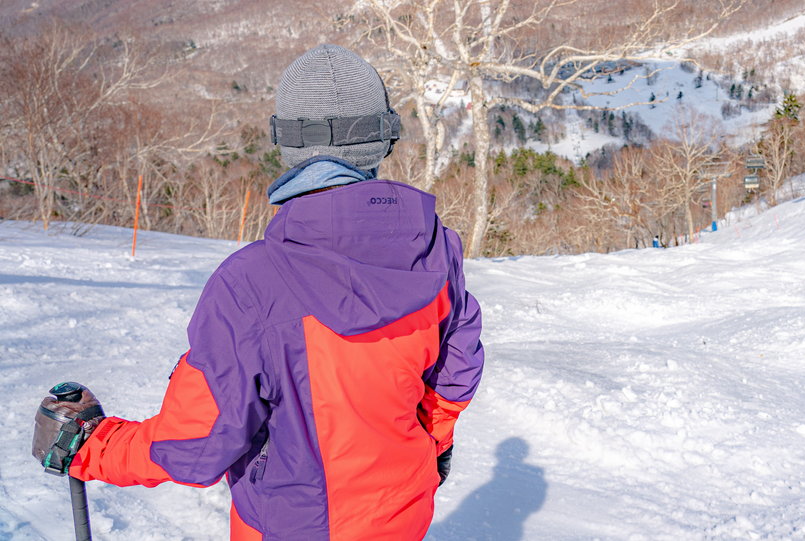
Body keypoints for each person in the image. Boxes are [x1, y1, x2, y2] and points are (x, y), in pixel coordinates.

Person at [32, 44, 484, 540]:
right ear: (381, 139)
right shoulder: (436, 252)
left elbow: (198, 442)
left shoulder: (251, 283)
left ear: (287, 144)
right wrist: (427, 447)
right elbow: (452, 378)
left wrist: (94, 446)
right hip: (402, 518)